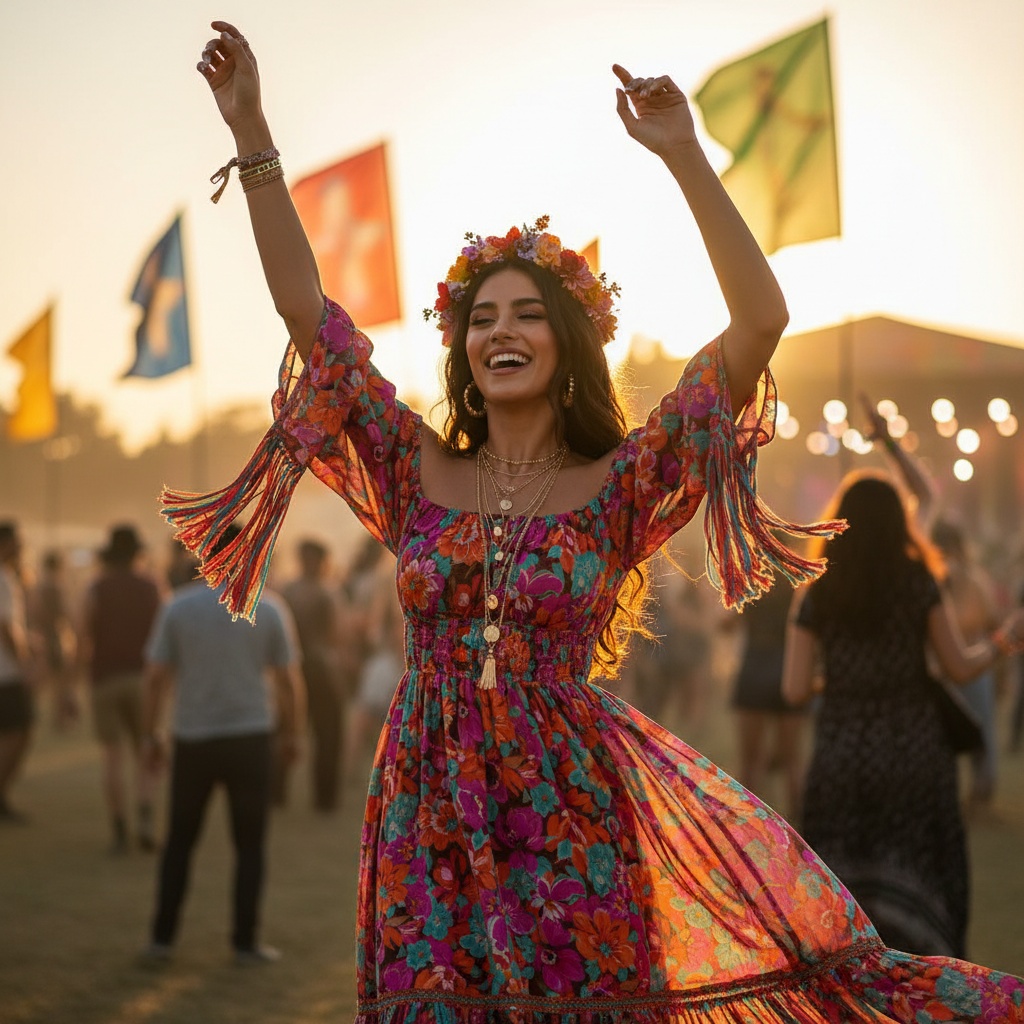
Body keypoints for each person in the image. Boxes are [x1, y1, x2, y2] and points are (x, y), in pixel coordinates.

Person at [163, 22, 1024, 1019]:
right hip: (425, 800)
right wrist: (254, 131)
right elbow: (309, 317)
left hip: (566, 805)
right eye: (481, 319)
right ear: (464, 355)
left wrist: (683, 154)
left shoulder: (623, 486)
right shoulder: (411, 467)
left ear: (567, 347)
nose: (500, 332)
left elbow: (757, 324)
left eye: (526, 314)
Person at [782, 472, 1024, 957]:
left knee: (843, 901)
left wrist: (844, 677)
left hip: (843, 756)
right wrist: (1002, 643)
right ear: (899, 525)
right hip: (916, 753)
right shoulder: (919, 584)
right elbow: (957, 666)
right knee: (923, 883)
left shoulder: (819, 591)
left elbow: (793, 689)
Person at [140, 521, 304, 965]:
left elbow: (155, 679)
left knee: (180, 840)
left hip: (193, 736)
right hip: (251, 737)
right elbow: (288, 682)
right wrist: (293, 734)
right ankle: (245, 942)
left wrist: (150, 734)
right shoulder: (268, 609)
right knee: (250, 845)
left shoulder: (178, 608)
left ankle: (162, 937)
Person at [79, 525, 162, 853]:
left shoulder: (96, 588)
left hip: (105, 678)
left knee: (112, 757)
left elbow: (83, 635)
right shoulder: (152, 587)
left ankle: (118, 827)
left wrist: (71, 684)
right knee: (146, 749)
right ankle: (144, 816)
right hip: (142, 678)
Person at [729, 581, 807, 822]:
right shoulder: (797, 587)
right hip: (788, 670)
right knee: (792, 760)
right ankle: (800, 826)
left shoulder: (750, 583)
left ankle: (745, 826)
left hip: (754, 671)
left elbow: (727, 624)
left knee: (750, 762)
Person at [280, 538, 345, 811]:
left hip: (292, 665)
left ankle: (275, 792)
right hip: (320, 668)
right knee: (328, 735)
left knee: (286, 728)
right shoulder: (326, 592)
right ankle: (325, 798)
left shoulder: (288, 591)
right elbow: (335, 635)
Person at [0, 522, 34, 823]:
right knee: (19, 732)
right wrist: (24, 664)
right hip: (6, 673)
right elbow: (6, 628)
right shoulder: (3, 578)